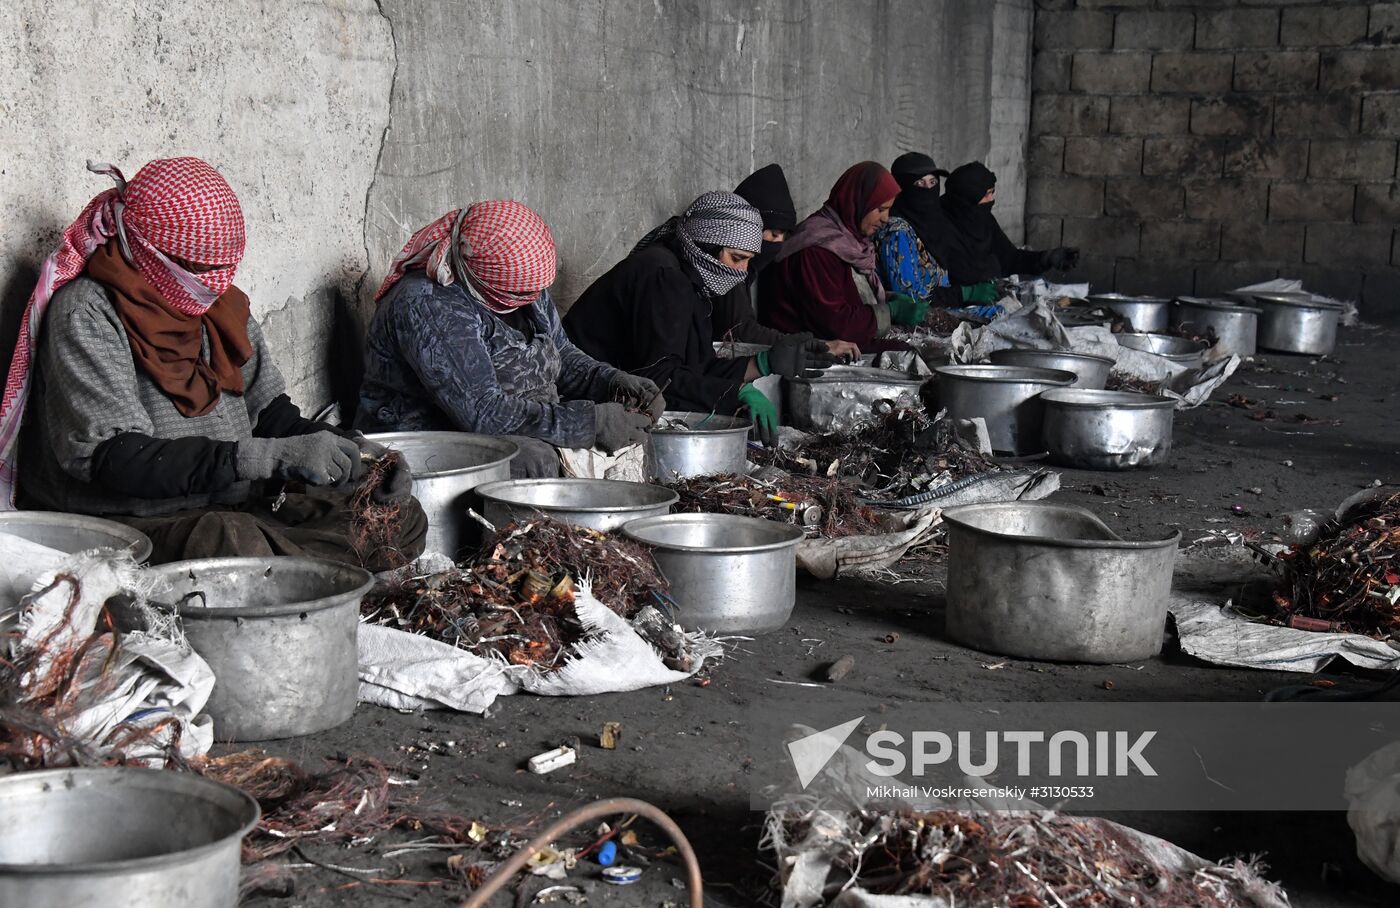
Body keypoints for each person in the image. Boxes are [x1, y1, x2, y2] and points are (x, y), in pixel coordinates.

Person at [2, 157, 423, 568]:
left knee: (400, 520)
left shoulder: (219, 308)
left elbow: (272, 418)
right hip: (129, 522)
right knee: (229, 544)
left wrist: (360, 453)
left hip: (232, 503)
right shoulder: (87, 313)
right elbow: (116, 460)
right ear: (142, 248)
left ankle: (293, 575)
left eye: (223, 270)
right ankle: (295, 575)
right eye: (197, 269)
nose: (214, 283)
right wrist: (265, 459)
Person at [357, 201, 661, 479]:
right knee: (532, 459)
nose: (533, 298)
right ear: (479, 276)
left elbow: (561, 354)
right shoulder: (428, 305)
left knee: (634, 439)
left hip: (513, 418)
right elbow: (484, 411)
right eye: (521, 294)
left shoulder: (518, 286)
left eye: (536, 292)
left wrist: (610, 381)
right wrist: (589, 423)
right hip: (427, 435)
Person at [565, 191, 830, 446]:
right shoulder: (663, 278)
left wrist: (764, 362)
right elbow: (657, 379)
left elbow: (694, 368)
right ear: (707, 246)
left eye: (748, 261)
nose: (742, 272)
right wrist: (734, 392)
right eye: (737, 258)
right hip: (585, 407)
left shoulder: (691, 282)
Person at [756, 161, 918, 352]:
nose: (885, 218)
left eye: (889, 210)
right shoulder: (816, 250)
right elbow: (836, 324)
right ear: (858, 202)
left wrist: (888, 299)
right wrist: (890, 312)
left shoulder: (849, 241)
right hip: (810, 352)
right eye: (880, 209)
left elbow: (845, 293)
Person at [714, 164, 861, 361]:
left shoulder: (745, 266)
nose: (778, 244)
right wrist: (816, 346)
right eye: (774, 234)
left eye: (783, 236)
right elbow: (742, 332)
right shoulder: (727, 267)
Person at [877, 152, 1000, 314]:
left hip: (942, 307)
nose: (928, 189)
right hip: (918, 316)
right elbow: (910, 297)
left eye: (933, 182)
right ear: (902, 187)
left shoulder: (934, 223)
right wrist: (965, 293)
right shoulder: (896, 232)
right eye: (919, 183)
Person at [937, 161, 1079, 285]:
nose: (991, 199)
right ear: (968, 197)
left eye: (992, 192)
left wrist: (1046, 258)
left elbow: (1009, 259)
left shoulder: (984, 220)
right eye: (986, 194)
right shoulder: (939, 225)